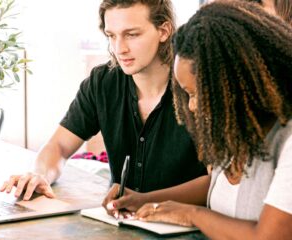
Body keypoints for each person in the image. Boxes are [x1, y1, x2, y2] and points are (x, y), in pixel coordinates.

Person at [105, 1, 292, 238]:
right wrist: (144, 200)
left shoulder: (288, 140)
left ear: (237, 82)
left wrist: (192, 214)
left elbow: (268, 237)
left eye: (196, 94)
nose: (191, 106)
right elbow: (214, 184)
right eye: (187, 94)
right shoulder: (237, 129)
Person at [0, 0, 206, 201]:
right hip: (122, 223)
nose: (120, 48)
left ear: (164, 30)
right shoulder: (102, 83)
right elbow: (59, 145)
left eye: (131, 35)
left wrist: (145, 201)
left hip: (189, 227)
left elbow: (218, 183)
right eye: (111, 35)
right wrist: (40, 174)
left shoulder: (198, 87)